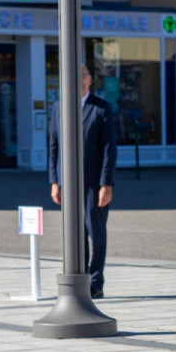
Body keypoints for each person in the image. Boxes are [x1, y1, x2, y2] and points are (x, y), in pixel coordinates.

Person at [49, 64, 117, 300]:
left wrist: (106, 184)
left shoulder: (101, 109)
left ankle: (96, 282)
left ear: (89, 80)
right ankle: (80, 278)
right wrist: (54, 181)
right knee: (75, 233)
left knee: (96, 233)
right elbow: (54, 145)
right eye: (74, 78)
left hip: (93, 183)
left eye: (83, 77)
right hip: (68, 183)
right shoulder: (59, 108)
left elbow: (109, 149)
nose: (79, 82)